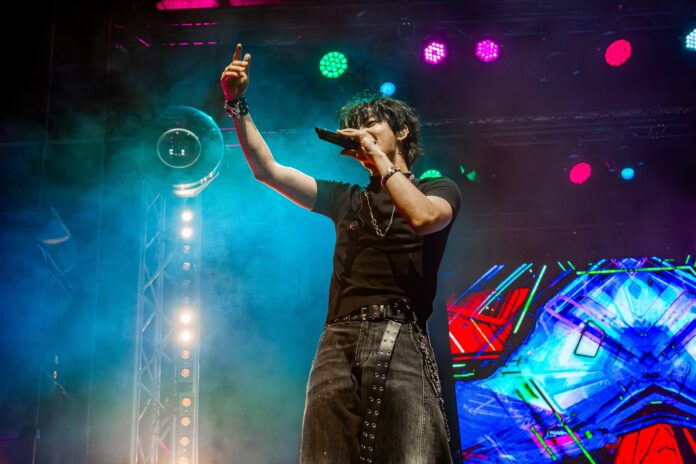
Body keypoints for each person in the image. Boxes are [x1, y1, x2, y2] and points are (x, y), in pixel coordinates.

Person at [221, 43, 461, 463]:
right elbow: (268, 170)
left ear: (402, 133)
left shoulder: (437, 188)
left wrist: (380, 159)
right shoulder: (345, 197)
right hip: (338, 339)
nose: (361, 132)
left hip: (401, 335)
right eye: (356, 129)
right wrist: (236, 104)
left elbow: (424, 218)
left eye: (371, 125)